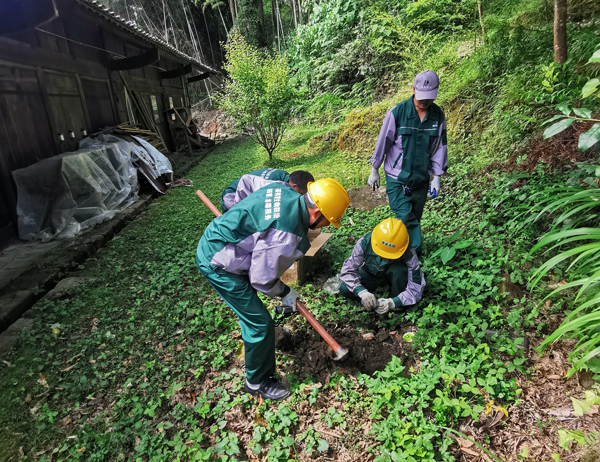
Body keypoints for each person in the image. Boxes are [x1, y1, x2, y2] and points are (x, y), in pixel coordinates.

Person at [196, 178, 350, 400]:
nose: (330, 225)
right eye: (331, 221)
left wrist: (239, 220)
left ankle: (256, 353)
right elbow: (261, 279)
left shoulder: (282, 188)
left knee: (252, 312)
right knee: (259, 322)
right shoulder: (285, 236)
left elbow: (248, 184)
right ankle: (257, 382)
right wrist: (286, 293)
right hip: (219, 263)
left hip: (220, 241)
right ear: (316, 213)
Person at [367, 70, 448, 252]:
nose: (424, 102)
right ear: (413, 89)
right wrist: (375, 168)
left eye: (428, 98)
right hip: (397, 177)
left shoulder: (438, 116)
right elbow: (383, 142)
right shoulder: (398, 113)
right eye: (420, 97)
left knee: (415, 217)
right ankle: (412, 256)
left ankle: (400, 250)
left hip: (420, 178)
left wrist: (437, 176)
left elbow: (439, 147)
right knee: (405, 215)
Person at [339, 217, 425, 315]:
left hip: (392, 277)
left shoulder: (408, 252)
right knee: (344, 288)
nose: (384, 257)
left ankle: (398, 306)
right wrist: (361, 292)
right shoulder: (365, 242)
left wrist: (394, 302)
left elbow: (416, 287)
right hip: (370, 274)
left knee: (399, 271)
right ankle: (369, 298)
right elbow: (348, 270)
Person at [221, 168, 314, 212]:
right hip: (232, 196)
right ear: (294, 186)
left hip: (247, 190)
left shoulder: (285, 176)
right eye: (301, 195)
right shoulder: (273, 186)